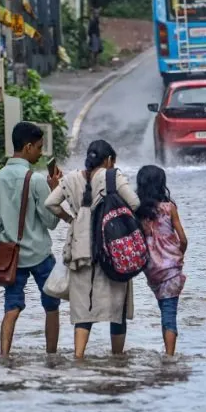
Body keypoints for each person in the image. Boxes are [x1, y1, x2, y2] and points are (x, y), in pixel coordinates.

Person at [45, 140, 140, 359]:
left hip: (80, 249)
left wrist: (71, 218)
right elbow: (135, 203)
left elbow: (50, 203)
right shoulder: (113, 177)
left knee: (83, 309)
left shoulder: (69, 179)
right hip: (112, 248)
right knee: (117, 311)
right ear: (108, 160)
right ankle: (117, 359)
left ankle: (78, 357)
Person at [0, 122, 62, 357]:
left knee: (11, 307)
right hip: (39, 254)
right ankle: (51, 357)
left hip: (11, 257)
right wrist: (54, 190)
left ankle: (4, 356)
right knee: (52, 307)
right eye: (39, 147)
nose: (40, 153)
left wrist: (7, 242)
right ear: (28, 147)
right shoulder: (37, 180)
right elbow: (50, 222)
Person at [136, 165, 188, 357]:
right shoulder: (169, 208)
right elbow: (183, 239)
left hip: (150, 269)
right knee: (169, 313)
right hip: (170, 269)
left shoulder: (138, 210)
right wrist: (178, 255)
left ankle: (168, 353)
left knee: (163, 307)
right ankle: (169, 356)